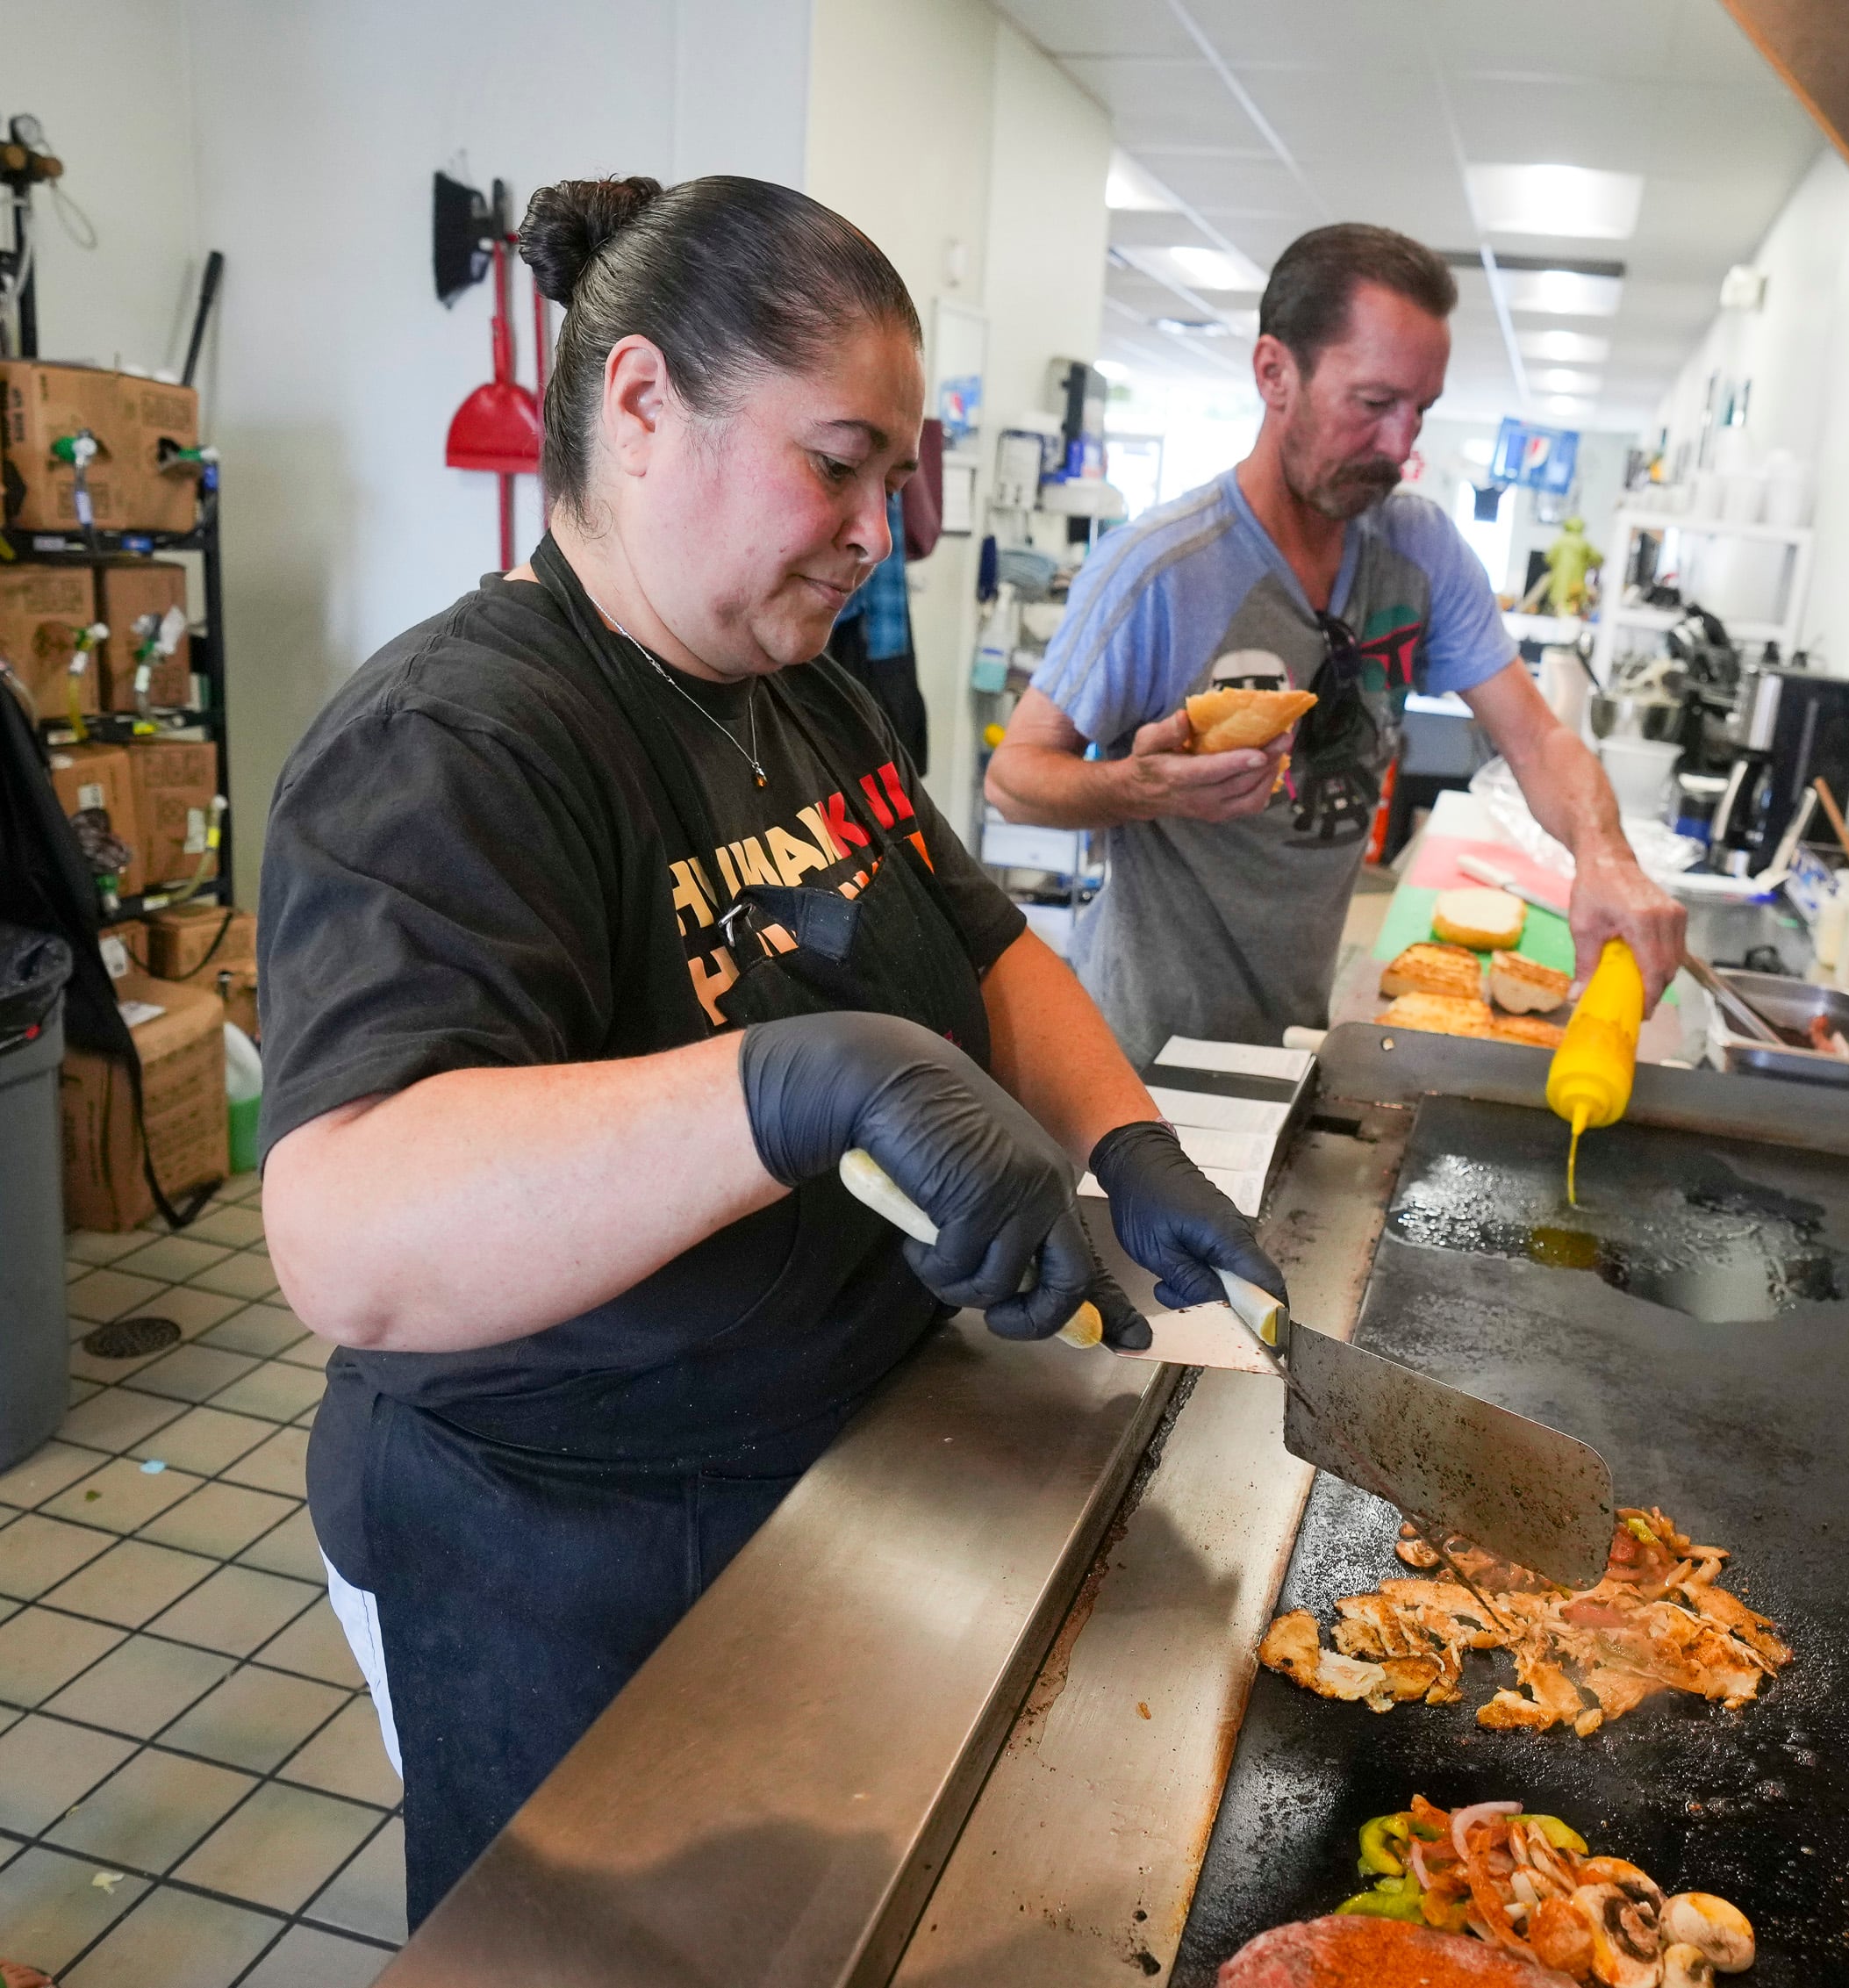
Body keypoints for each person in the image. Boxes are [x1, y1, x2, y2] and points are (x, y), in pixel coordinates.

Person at [255, 176, 1279, 1928]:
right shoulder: (458, 745)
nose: (874, 528)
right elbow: (348, 1230)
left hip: (831, 1463)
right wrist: (794, 1085)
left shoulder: (797, 688)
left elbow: (982, 940)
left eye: (893, 477)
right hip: (563, 1533)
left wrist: (1126, 1141)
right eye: (838, 462)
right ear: (643, 404)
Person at [984, 224, 1686, 1065]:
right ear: (1274, 373)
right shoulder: (1160, 569)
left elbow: (1536, 738)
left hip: (1294, 1031)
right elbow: (1013, 780)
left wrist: (1605, 855)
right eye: (1375, 403)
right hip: (1143, 1051)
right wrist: (1143, 786)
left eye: (1420, 410)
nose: (1402, 448)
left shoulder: (1417, 551)